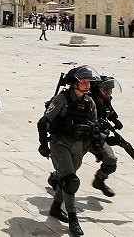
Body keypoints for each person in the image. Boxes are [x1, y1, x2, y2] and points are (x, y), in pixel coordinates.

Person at [37, 65, 101, 237]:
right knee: (71, 180)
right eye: (84, 82)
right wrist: (43, 144)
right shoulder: (61, 99)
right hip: (60, 144)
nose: (87, 85)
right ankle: (73, 220)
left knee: (66, 180)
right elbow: (43, 123)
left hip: (78, 146)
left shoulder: (89, 102)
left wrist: (98, 150)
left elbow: (94, 127)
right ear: (74, 83)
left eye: (89, 82)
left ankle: (56, 208)